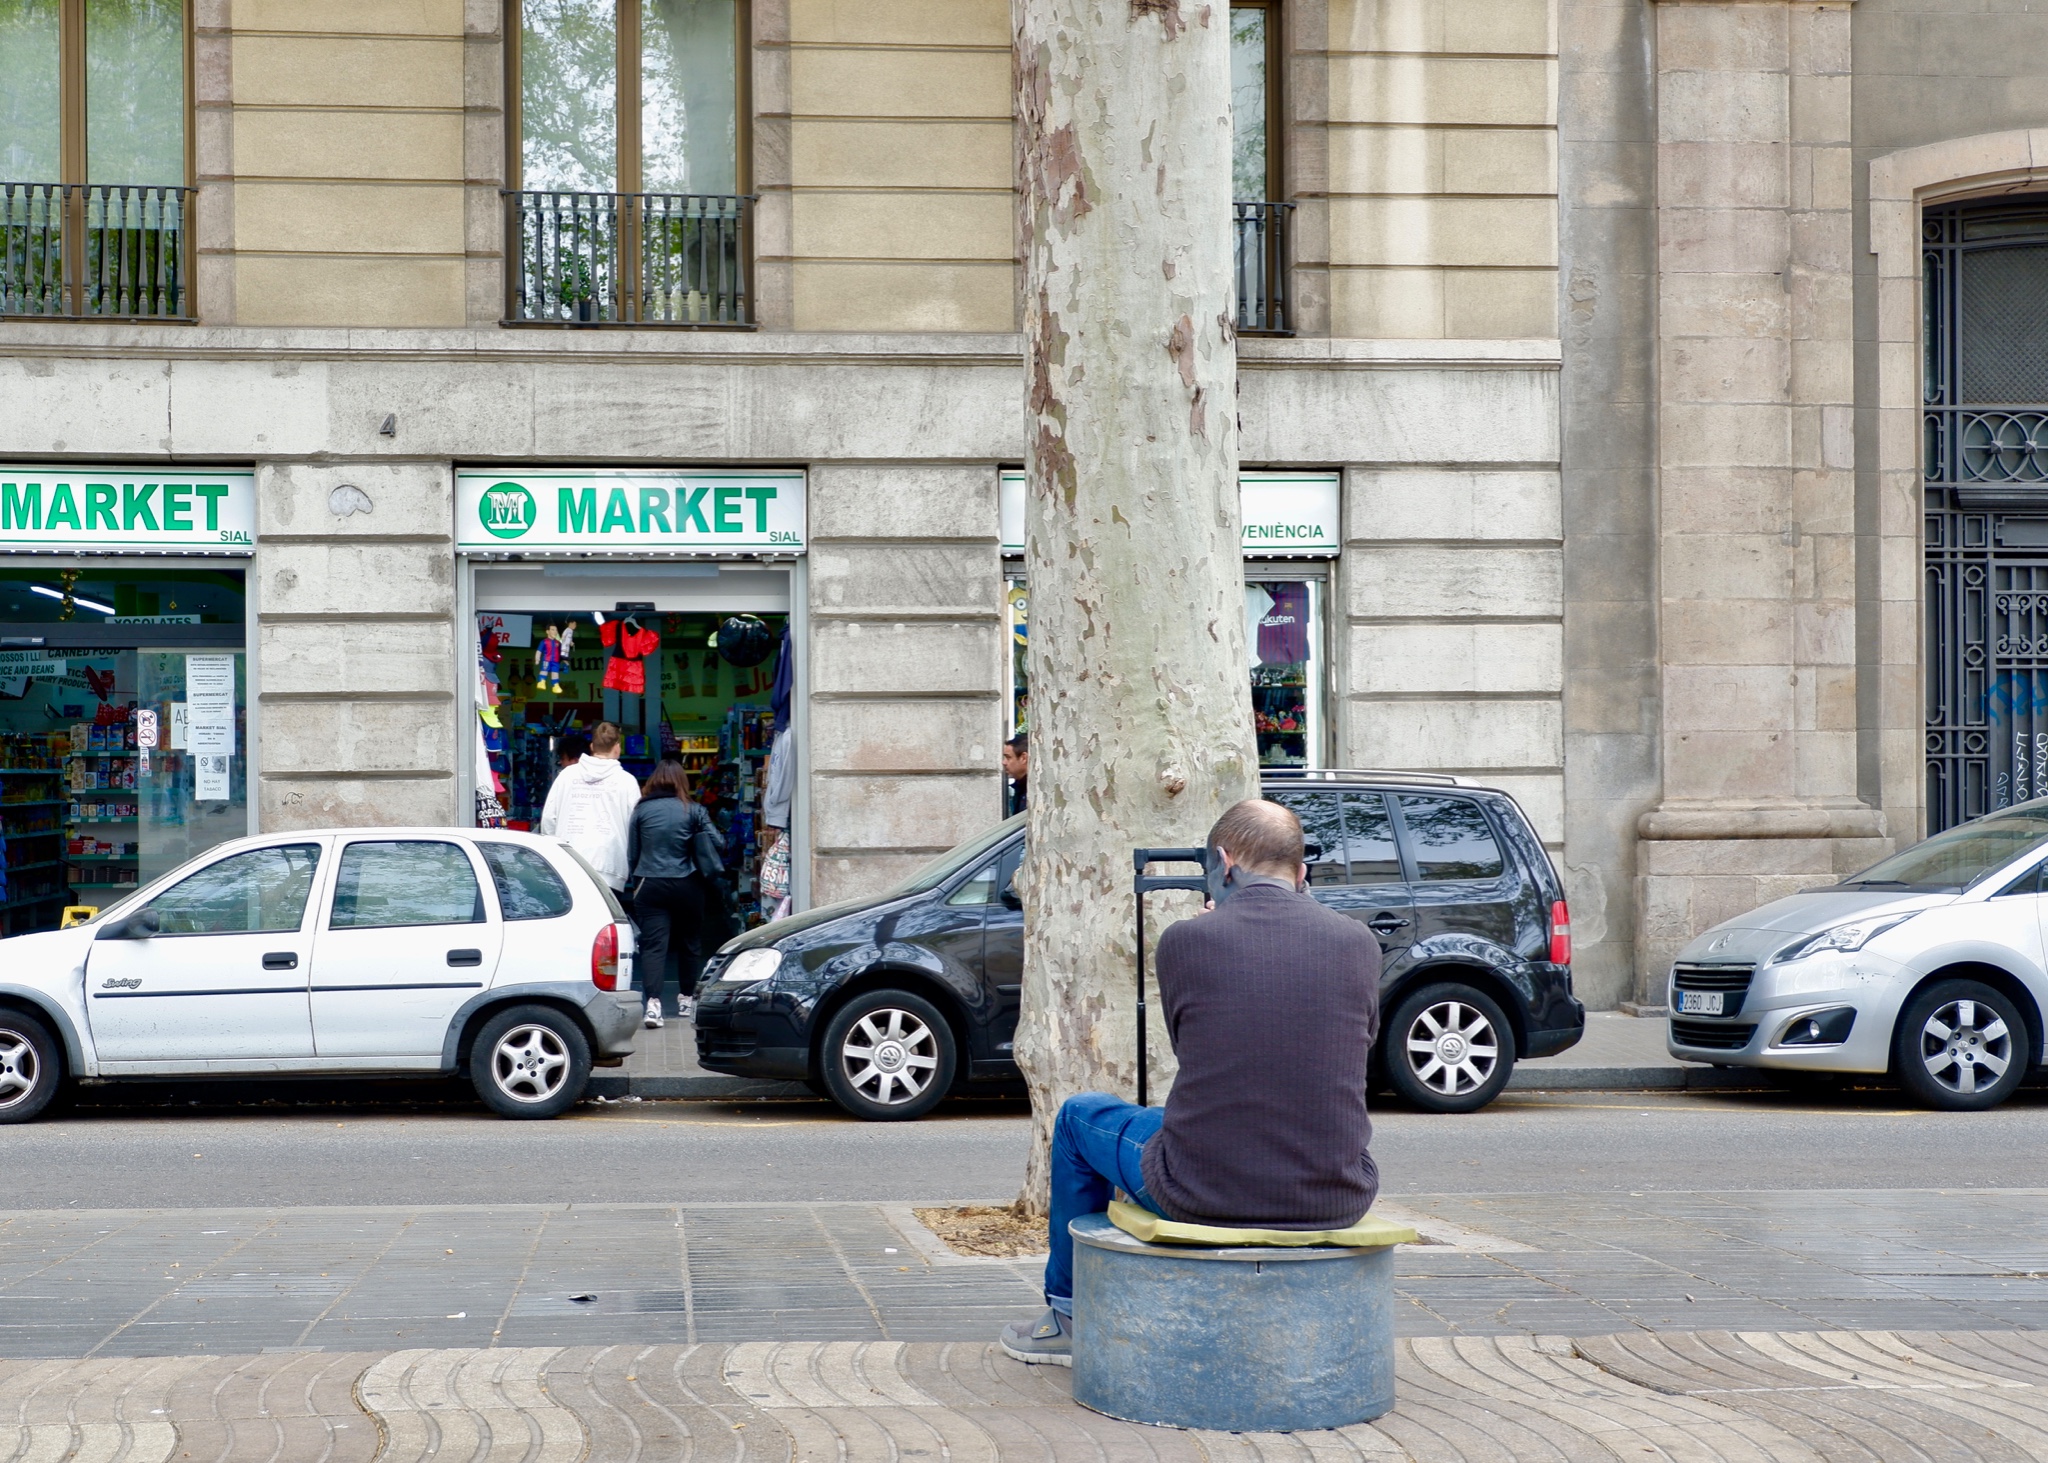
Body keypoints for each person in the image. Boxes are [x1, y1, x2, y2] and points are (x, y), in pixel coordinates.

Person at [999, 798, 1382, 1366]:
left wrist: (1209, 931)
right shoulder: (1359, 944)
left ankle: (1067, 1317)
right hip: (1334, 1193)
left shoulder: (1186, 941)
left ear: (1223, 864)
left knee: (1081, 1117)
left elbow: (1194, 1047)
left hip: (1202, 1191)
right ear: (1302, 874)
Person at [624, 758, 726, 1028]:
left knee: (654, 947)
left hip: (650, 883)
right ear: (682, 781)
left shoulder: (641, 810)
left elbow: (632, 853)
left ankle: (653, 1005)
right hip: (688, 884)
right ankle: (686, 1000)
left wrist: (637, 881)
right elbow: (719, 843)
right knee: (690, 944)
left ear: (654, 780)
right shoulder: (693, 810)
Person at [537, 721, 639, 893]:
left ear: (592, 746)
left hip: (569, 864)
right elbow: (635, 825)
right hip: (610, 866)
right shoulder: (627, 781)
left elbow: (548, 819)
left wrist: (555, 853)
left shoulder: (566, 776)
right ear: (617, 747)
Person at [1002, 734, 1029, 815]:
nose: (1003, 762)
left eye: (1008, 757)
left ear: (1023, 758)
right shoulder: (1021, 787)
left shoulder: (1034, 790)